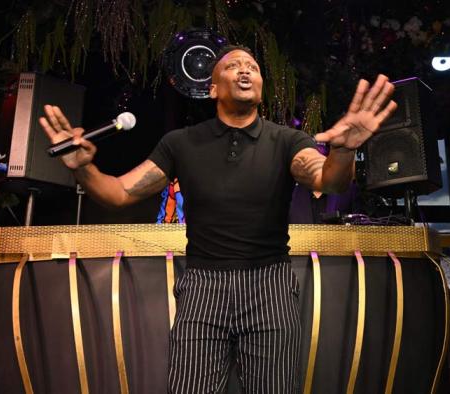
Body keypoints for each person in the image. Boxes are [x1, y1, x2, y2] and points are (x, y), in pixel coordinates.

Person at [39, 45, 396, 393]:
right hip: (202, 286)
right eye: (233, 66)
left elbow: (328, 179)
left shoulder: (288, 140)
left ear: (260, 86)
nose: (245, 70)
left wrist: (344, 151)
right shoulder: (181, 143)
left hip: (269, 286)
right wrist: (83, 169)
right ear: (212, 89)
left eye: (253, 67)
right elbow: (118, 194)